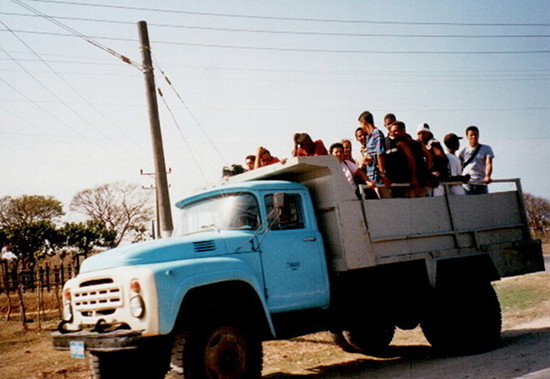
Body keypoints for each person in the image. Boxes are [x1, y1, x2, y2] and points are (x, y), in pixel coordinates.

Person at [388, 121, 428, 198]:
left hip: (414, 182)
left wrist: (416, 176)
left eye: (396, 131)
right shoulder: (404, 142)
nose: (393, 134)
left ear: (403, 131)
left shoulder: (409, 143)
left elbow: (412, 159)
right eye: (392, 132)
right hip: (409, 181)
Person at [357, 111, 392, 198]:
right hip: (372, 179)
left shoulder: (377, 133)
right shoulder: (369, 137)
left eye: (360, 124)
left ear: (364, 122)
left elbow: (380, 154)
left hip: (379, 178)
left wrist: (383, 175)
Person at [458, 125, 494, 195]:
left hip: (481, 182)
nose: (474, 137)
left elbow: (488, 163)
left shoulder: (486, 148)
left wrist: (488, 176)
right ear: (467, 137)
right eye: (471, 135)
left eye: (475, 135)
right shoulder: (463, 150)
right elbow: (458, 165)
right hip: (468, 183)